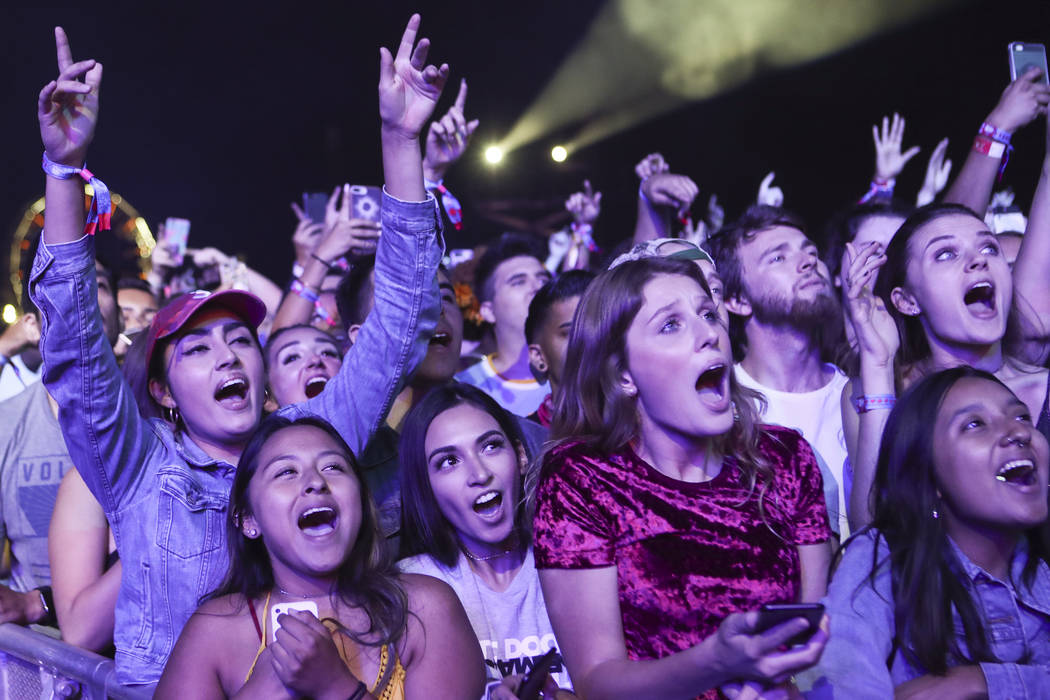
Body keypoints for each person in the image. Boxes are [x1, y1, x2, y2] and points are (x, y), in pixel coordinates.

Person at [29, 17, 445, 686]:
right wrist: (63, 169)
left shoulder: (313, 438)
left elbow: (399, 320)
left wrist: (401, 142)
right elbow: (76, 350)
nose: (228, 356)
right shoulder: (139, 469)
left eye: (238, 340)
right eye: (196, 349)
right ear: (161, 391)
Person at [534, 256, 832, 699]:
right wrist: (716, 663)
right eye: (670, 325)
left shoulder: (784, 459)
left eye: (708, 313)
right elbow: (597, 682)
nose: (709, 333)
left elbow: (811, 644)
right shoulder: (583, 480)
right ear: (624, 374)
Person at [156, 414, 484, 699]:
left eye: (333, 467)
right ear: (248, 518)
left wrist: (337, 687)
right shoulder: (213, 632)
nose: (315, 482)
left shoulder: (425, 609)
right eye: (286, 472)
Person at [808, 367, 1050, 698]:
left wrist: (978, 682)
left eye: (1022, 416)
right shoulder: (885, 556)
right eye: (974, 424)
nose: (1018, 432)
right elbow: (842, 673)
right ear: (929, 476)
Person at [846, 202, 1049, 530]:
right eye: (945, 254)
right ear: (907, 301)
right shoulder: (876, 388)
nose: (978, 260)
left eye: (988, 247)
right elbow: (871, 529)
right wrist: (878, 364)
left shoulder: (1045, 390)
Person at [398, 383, 574, 697]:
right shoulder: (411, 586)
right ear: (426, 486)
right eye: (449, 462)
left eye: (490, 446)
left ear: (520, 456)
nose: (479, 473)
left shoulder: (576, 558)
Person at [708, 206, 848, 538]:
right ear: (738, 300)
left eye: (810, 252)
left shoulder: (861, 394)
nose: (808, 262)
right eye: (777, 259)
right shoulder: (721, 410)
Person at [0, 258, 120, 632]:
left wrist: (40, 602)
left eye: (97, 285)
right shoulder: (5, 425)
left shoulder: (159, 417)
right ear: (32, 327)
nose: (82, 295)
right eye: (65, 287)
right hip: (35, 664)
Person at [455, 233, 552, 416]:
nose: (537, 288)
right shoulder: (466, 389)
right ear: (488, 311)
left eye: (543, 279)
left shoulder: (580, 375)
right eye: (518, 282)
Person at [525, 270, 595, 427]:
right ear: (539, 357)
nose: (592, 339)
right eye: (572, 333)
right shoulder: (525, 442)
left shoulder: (643, 428)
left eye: (601, 326)